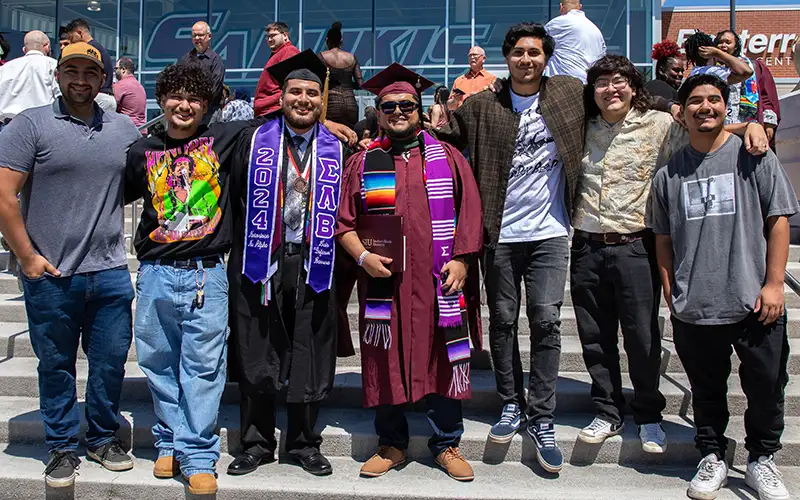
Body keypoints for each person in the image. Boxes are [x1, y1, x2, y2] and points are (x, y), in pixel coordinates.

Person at [570, 55, 767, 454]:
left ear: (634, 87)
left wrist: (751, 125)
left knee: (643, 337)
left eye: (620, 81)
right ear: (592, 91)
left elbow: (707, 133)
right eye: (603, 82)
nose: (612, 89)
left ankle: (647, 413)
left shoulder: (660, 125)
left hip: (635, 247)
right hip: (587, 246)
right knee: (595, 337)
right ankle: (607, 410)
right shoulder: (578, 128)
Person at [434, 22, 586, 475]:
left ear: (546, 57)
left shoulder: (568, 95)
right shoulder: (483, 106)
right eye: (518, 52)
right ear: (507, 58)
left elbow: (619, 105)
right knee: (501, 322)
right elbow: (444, 144)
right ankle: (509, 403)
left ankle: (541, 416)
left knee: (546, 321)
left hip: (550, 233)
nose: (527, 60)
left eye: (535, 53)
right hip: (499, 235)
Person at [0, 41, 141, 488]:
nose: (81, 80)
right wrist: (28, 258)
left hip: (111, 272)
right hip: (53, 274)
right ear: (58, 76)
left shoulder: (123, 130)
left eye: (90, 73)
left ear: (104, 80)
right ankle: (61, 446)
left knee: (109, 363)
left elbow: (149, 183)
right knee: (55, 364)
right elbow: (4, 197)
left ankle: (101, 438)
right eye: (72, 71)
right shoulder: (30, 126)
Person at [649, 73, 797, 500]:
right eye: (695, 100)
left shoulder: (754, 156)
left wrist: (773, 285)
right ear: (681, 112)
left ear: (725, 106)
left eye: (715, 99)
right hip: (696, 303)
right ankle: (711, 454)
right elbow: (662, 240)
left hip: (755, 300)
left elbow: (779, 220)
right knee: (706, 388)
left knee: (767, 384)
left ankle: (761, 460)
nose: (706, 107)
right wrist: (670, 291)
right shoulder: (667, 177)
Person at [336, 63, 484, 482]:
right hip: (386, 283)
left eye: (407, 104)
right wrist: (363, 258)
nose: (398, 111)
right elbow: (343, 223)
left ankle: (446, 442)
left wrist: (462, 258)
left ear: (419, 110)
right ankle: (392, 443)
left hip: (438, 280)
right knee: (385, 355)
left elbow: (469, 212)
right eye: (389, 105)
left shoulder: (449, 157)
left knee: (442, 353)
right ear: (378, 112)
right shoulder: (364, 162)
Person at [226, 49, 348, 478]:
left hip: (315, 259)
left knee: (309, 348)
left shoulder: (338, 148)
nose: (303, 99)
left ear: (322, 100)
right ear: (281, 97)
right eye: (295, 91)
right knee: (256, 346)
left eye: (312, 93)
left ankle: (302, 442)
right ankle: (256, 442)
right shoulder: (251, 140)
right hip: (261, 259)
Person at [125, 62, 240, 496]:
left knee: (204, 368)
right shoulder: (142, 152)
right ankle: (169, 440)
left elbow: (281, 120)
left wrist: (337, 126)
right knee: (157, 363)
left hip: (205, 276)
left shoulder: (224, 140)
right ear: (162, 101)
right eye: (176, 96)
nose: (184, 105)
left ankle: (197, 454)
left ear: (207, 105)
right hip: (154, 274)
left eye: (194, 98)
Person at [715, 29, 781, 145]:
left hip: (748, 126)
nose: (723, 45)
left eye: (728, 42)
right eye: (720, 42)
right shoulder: (711, 69)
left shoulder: (754, 67)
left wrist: (768, 123)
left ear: (736, 46)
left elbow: (767, 96)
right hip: (720, 128)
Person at [0, 30, 59, 122]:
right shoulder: (53, 65)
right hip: (43, 124)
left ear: (24, 50)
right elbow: (60, 95)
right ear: (47, 46)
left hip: (10, 125)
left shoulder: (5, 68)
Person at [544, 0, 606, 83]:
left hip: (565, 83)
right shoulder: (596, 31)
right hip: (590, 83)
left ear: (561, 7)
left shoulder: (557, 23)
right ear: (580, 7)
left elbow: (537, 40)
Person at [65, 19, 116, 113]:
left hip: (99, 96)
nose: (71, 42)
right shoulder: (99, 48)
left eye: (71, 38)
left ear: (79, 32)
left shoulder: (90, 50)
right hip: (108, 97)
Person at [180, 21, 225, 123]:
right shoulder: (185, 60)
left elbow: (215, 89)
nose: (197, 38)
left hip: (210, 114)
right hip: (188, 113)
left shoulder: (216, 61)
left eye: (200, 35)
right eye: (194, 35)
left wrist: (198, 104)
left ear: (209, 36)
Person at [319, 21, 363, 129]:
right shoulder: (352, 57)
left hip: (331, 105)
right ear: (341, 40)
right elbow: (360, 84)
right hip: (351, 105)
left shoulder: (321, 57)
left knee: (330, 138)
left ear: (327, 40)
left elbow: (317, 81)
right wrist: (346, 83)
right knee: (351, 139)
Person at [254, 22, 300, 116]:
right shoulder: (279, 53)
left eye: (273, 35)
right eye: (267, 37)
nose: (270, 39)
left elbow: (292, 83)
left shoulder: (289, 51)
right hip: (267, 109)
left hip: (274, 110)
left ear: (285, 36)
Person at [113, 56, 147, 129]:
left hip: (127, 130)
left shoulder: (121, 85)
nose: (115, 72)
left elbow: (110, 105)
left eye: (116, 68)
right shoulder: (140, 86)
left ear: (123, 69)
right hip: (142, 129)